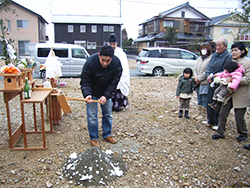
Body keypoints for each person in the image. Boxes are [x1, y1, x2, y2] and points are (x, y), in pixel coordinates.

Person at [80, 45, 122, 147]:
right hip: (93, 92)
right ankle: (94, 137)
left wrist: (106, 96)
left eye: (108, 61)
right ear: (99, 55)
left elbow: (113, 83)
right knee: (92, 116)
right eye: (103, 60)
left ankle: (107, 134)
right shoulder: (90, 62)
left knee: (107, 114)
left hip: (106, 92)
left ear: (112, 58)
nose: (105, 63)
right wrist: (87, 94)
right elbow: (85, 81)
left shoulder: (116, 64)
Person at [212, 42, 250, 142]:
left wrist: (232, 80)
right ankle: (220, 132)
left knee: (239, 116)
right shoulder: (231, 61)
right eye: (232, 50)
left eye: (236, 50)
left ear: (242, 51)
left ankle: (243, 133)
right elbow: (225, 74)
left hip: (240, 94)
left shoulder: (248, 62)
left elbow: (247, 79)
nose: (233, 52)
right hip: (228, 93)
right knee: (223, 113)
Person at [204, 38, 232, 130]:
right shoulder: (215, 55)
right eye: (217, 45)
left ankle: (216, 122)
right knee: (209, 101)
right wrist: (208, 75)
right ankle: (210, 120)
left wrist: (214, 77)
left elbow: (226, 71)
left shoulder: (228, 56)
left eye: (220, 45)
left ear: (225, 46)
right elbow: (209, 67)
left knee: (217, 103)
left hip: (219, 83)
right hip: (211, 81)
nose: (218, 47)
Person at [108, 33, 130, 112]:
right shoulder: (106, 51)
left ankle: (119, 105)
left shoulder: (121, 53)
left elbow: (124, 65)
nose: (112, 46)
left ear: (116, 44)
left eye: (114, 44)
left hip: (119, 73)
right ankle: (110, 105)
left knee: (119, 89)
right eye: (111, 44)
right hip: (110, 73)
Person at [193, 43, 212, 121]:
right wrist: (195, 77)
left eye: (205, 49)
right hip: (198, 82)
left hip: (204, 82)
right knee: (199, 98)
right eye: (202, 48)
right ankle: (199, 113)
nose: (203, 50)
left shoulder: (210, 59)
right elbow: (195, 69)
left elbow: (208, 71)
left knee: (204, 98)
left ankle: (204, 115)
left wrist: (199, 78)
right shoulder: (199, 58)